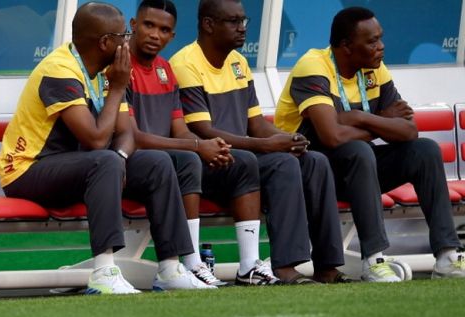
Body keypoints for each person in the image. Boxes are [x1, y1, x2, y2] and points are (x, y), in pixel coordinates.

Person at [0, 2, 215, 294]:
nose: (128, 40)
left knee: (157, 163)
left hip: (81, 165)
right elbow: (97, 140)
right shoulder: (60, 70)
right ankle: (104, 271)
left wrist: (121, 158)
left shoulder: (105, 70)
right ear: (104, 42)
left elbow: (126, 134)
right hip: (28, 170)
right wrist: (117, 89)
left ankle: (170, 268)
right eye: (123, 35)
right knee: (105, 160)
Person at [275, 6, 465, 281]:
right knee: (358, 150)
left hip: (359, 169)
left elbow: (408, 130)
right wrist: (381, 122)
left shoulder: (375, 69)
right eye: (372, 41)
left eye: (380, 38)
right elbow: (332, 137)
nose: (381, 47)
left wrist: (360, 117)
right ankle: (374, 260)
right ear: (346, 47)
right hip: (312, 171)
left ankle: (447, 255)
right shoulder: (314, 66)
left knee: (425, 150)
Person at [170, 0, 349, 284]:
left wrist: (286, 138)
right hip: (212, 162)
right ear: (208, 24)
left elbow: (256, 124)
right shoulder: (185, 63)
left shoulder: (239, 62)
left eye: (244, 21)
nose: (243, 29)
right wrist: (268, 146)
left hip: (244, 159)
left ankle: (327, 265)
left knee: (315, 161)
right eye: (233, 22)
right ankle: (285, 266)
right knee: (281, 163)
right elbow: (202, 130)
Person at [128, 0, 281, 286]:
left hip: (164, 161)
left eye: (164, 29)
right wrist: (199, 147)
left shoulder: (165, 70)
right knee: (186, 159)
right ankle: (189, 261)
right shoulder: (122, 67)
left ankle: (249, 264)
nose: (155, 34)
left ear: (172, 35)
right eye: (148, 25)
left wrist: (210, 146)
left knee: (241, 159)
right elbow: (134, 137)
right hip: (130, 164)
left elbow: (181, 130)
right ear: (133, 25)